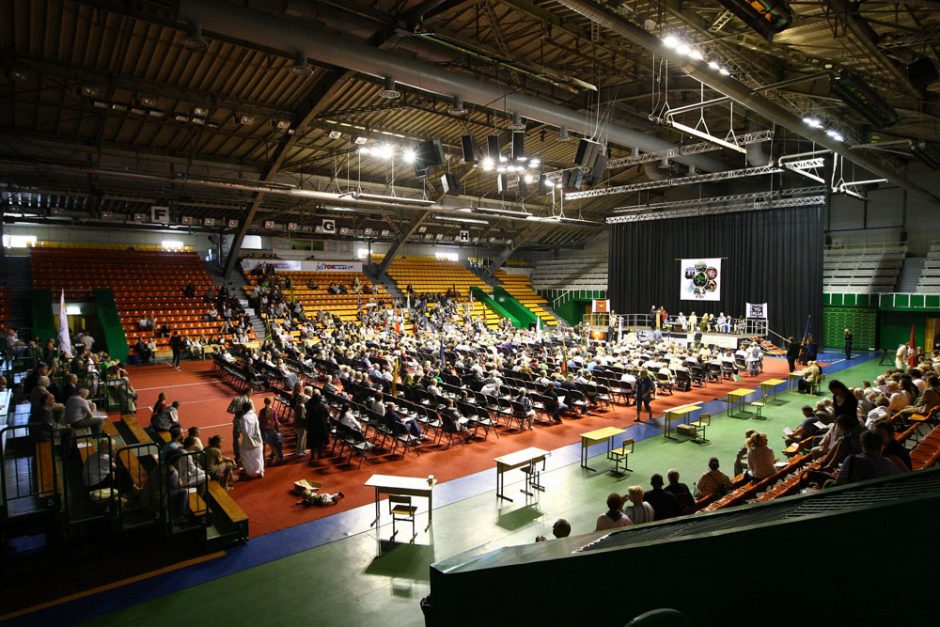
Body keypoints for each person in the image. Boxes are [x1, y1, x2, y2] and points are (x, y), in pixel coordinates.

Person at [836, 430, 901, 485]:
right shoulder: (888, 463)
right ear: (881, 446)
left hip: (855, 497)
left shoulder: (852, 460)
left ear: (862, 444)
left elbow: (840, 482)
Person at [238, 401, 265, 479]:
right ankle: (260, 471)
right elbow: (257, 428)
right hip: (257, 439)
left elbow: (245, 431)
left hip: (248, 440)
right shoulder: (254, 415)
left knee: (245, 455)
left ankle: (250, 471)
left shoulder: (244, 417)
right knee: (258, 456)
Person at [305, 390, 332, 460]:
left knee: (312, 441)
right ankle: (319, 454)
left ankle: (312, 456)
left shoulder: (309, 406)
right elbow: (327, 415)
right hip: (321, 426)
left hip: (312, 426)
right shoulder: (322, 406)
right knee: (320, 441)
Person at [258, 397, 284, 465]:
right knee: (273, 446)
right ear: (270, 402)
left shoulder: (261, 411)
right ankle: (278, 459)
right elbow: (276, 421)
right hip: (271, 430)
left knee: (263, 446)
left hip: (263, 430)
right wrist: (279, 426)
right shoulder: (273, 411)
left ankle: (263, 459)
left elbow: (260, 421)